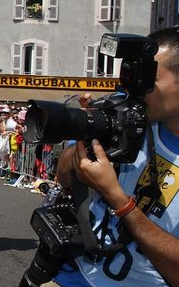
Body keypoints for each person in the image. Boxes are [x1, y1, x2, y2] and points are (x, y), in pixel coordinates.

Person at [52, 27, 179, 286]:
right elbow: (63, 177)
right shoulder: (126, 114)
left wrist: (120, 202)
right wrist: (87, 134)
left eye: (148, 77)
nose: (135, 89)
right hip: (71, 273)